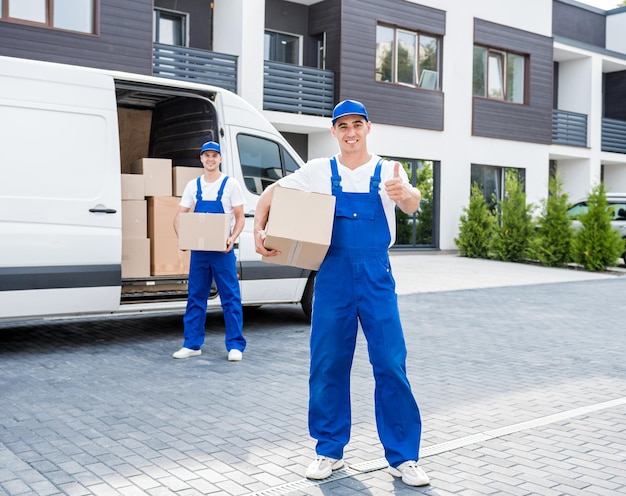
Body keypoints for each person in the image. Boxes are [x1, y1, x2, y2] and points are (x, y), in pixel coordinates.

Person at [253, 100, 430, 487]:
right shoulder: (318, 171)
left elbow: (414, 203)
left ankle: (404, 458)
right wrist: (258, 228)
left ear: (369, 128)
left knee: (390, 362)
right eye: (343, 126)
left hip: (376, 277)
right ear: (334, 131)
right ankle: (328, 450)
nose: (351, 132)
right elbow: (271, 194)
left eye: (358, 125)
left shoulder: (387, 170)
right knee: (328, 363)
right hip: (331, 277)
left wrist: (404, 194)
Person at [172, 141, 247, 362]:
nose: (211, 159)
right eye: (207, 156)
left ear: (220, 159)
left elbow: (240, 217)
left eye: (215, 155)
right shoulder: (193, 186)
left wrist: (232, 238)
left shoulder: (230, 184)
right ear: (201, 159)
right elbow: (179, 215)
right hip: (199, 251)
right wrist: (182, 238)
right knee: (196, 296)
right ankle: (192, 344)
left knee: (230, 297)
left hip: (223, 250)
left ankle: (235, 346)